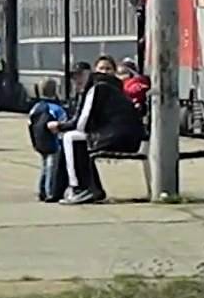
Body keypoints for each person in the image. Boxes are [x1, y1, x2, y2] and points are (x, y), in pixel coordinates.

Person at [48, 59, 144, 205]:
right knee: (80, 141)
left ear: (89, 74)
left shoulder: (96, 88)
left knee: (72, 138)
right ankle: (90, 187)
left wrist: (60, 127)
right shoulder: (113, 86)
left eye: (79, 76)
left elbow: (81, 123)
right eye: (75, 77)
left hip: (117, 137)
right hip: (129, 137)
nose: (77, 80)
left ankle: (80, 188)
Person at [28, 78, 68, 202]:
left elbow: (30, 123)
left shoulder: (36, 107)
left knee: (45, 167)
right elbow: (64, 124)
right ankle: (50, 192)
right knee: (52, 167)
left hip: (40, 142)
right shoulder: (56, 108)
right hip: (53, 143)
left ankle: (42, 190)